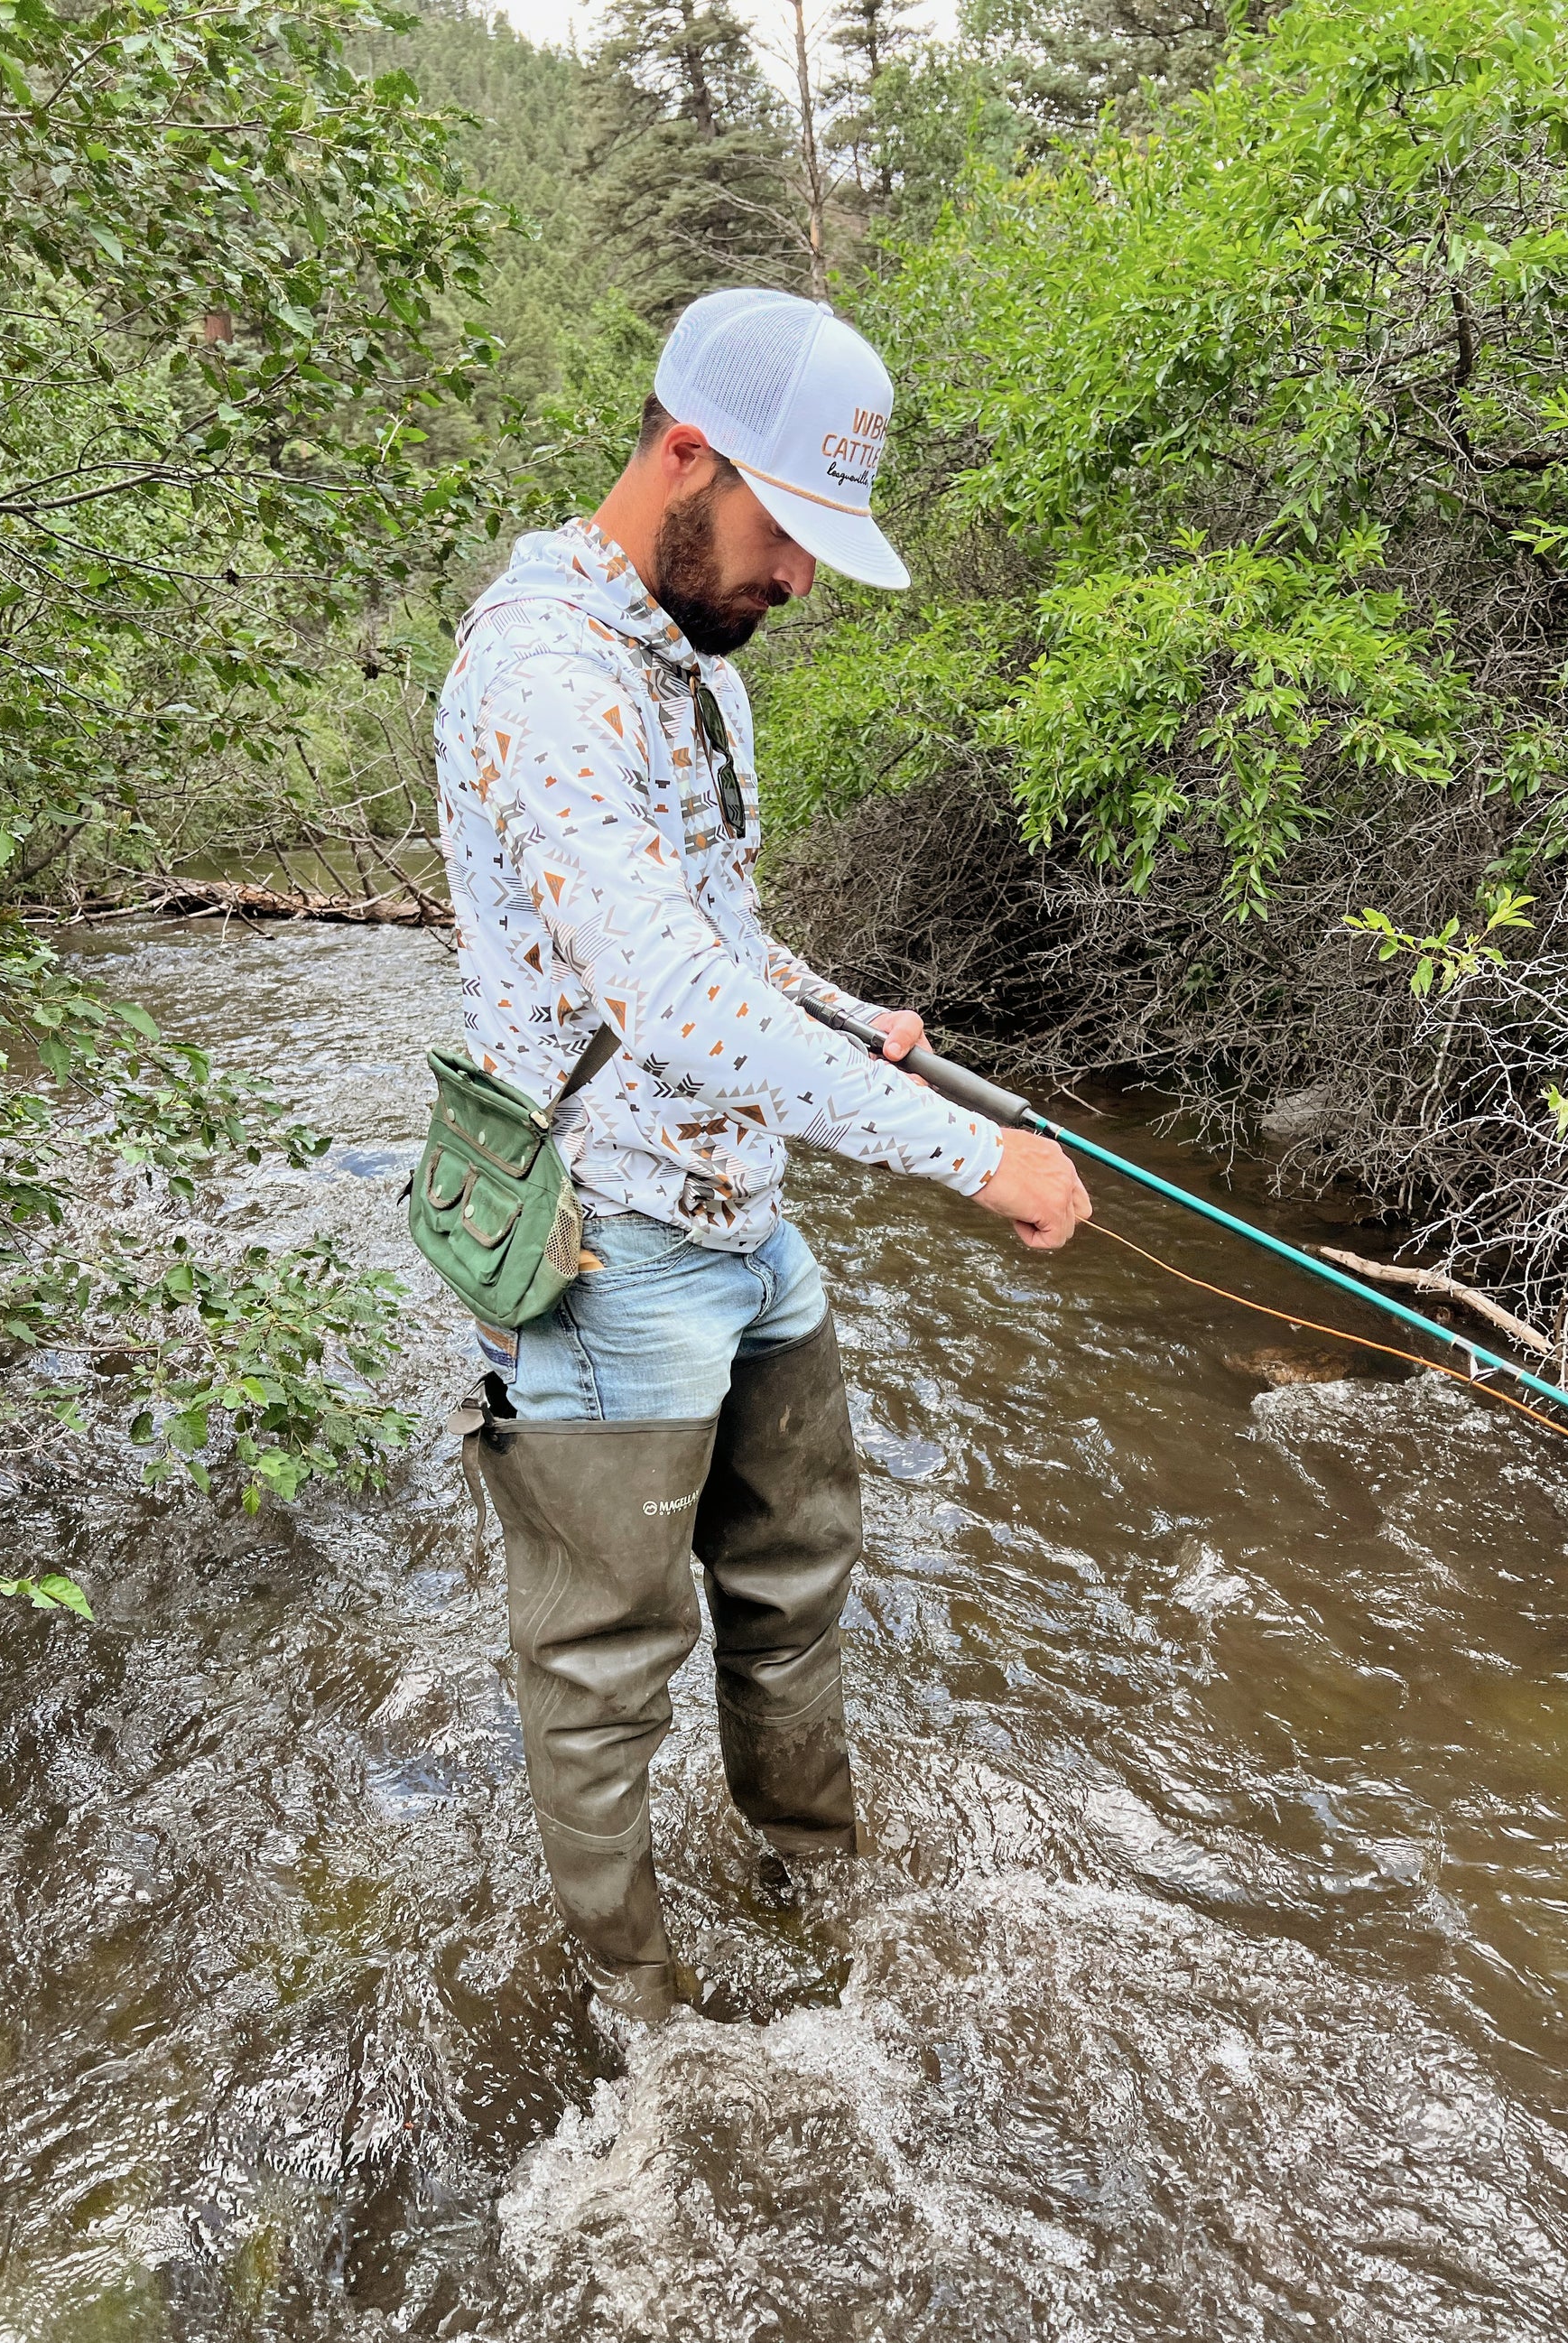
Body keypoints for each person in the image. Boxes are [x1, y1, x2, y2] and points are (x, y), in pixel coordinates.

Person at [432, 287, 1090, 2025]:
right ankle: (639, 2025)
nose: (796, 582)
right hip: (607, 1245)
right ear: (684, 455)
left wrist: (843, 1003)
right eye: (786, 535)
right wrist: (970, 1160)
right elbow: (651, 996)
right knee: (600, 1670)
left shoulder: (689, 664)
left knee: (795, 1581)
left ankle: (820, 1894)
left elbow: (716, 940)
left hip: (751, 1219)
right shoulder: (543, 676)